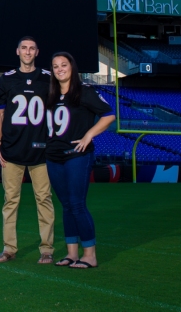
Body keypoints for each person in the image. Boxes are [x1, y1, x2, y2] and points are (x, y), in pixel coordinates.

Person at [45, 52, 115, 269]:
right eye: (55, 66)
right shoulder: (51, 94)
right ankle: (71, 254)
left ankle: (90, 255)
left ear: (72, 67)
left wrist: (89, 135)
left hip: (76, 155)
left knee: (77, 204)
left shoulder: (84, 91)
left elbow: (109, 114)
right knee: (66, 206)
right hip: (53, 157)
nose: (59, 69)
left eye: (63, 65)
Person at [0, 36, 55, 264]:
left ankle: (47, 249)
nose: (28, 52)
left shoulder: (48, 78)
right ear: (17, 51)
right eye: (24, 48)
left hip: (41, 150)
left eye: (32, 48)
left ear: (37, 52)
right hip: (12, 150)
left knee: (44, 199)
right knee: (10, 201)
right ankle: (9, 248)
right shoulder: (7, 79)